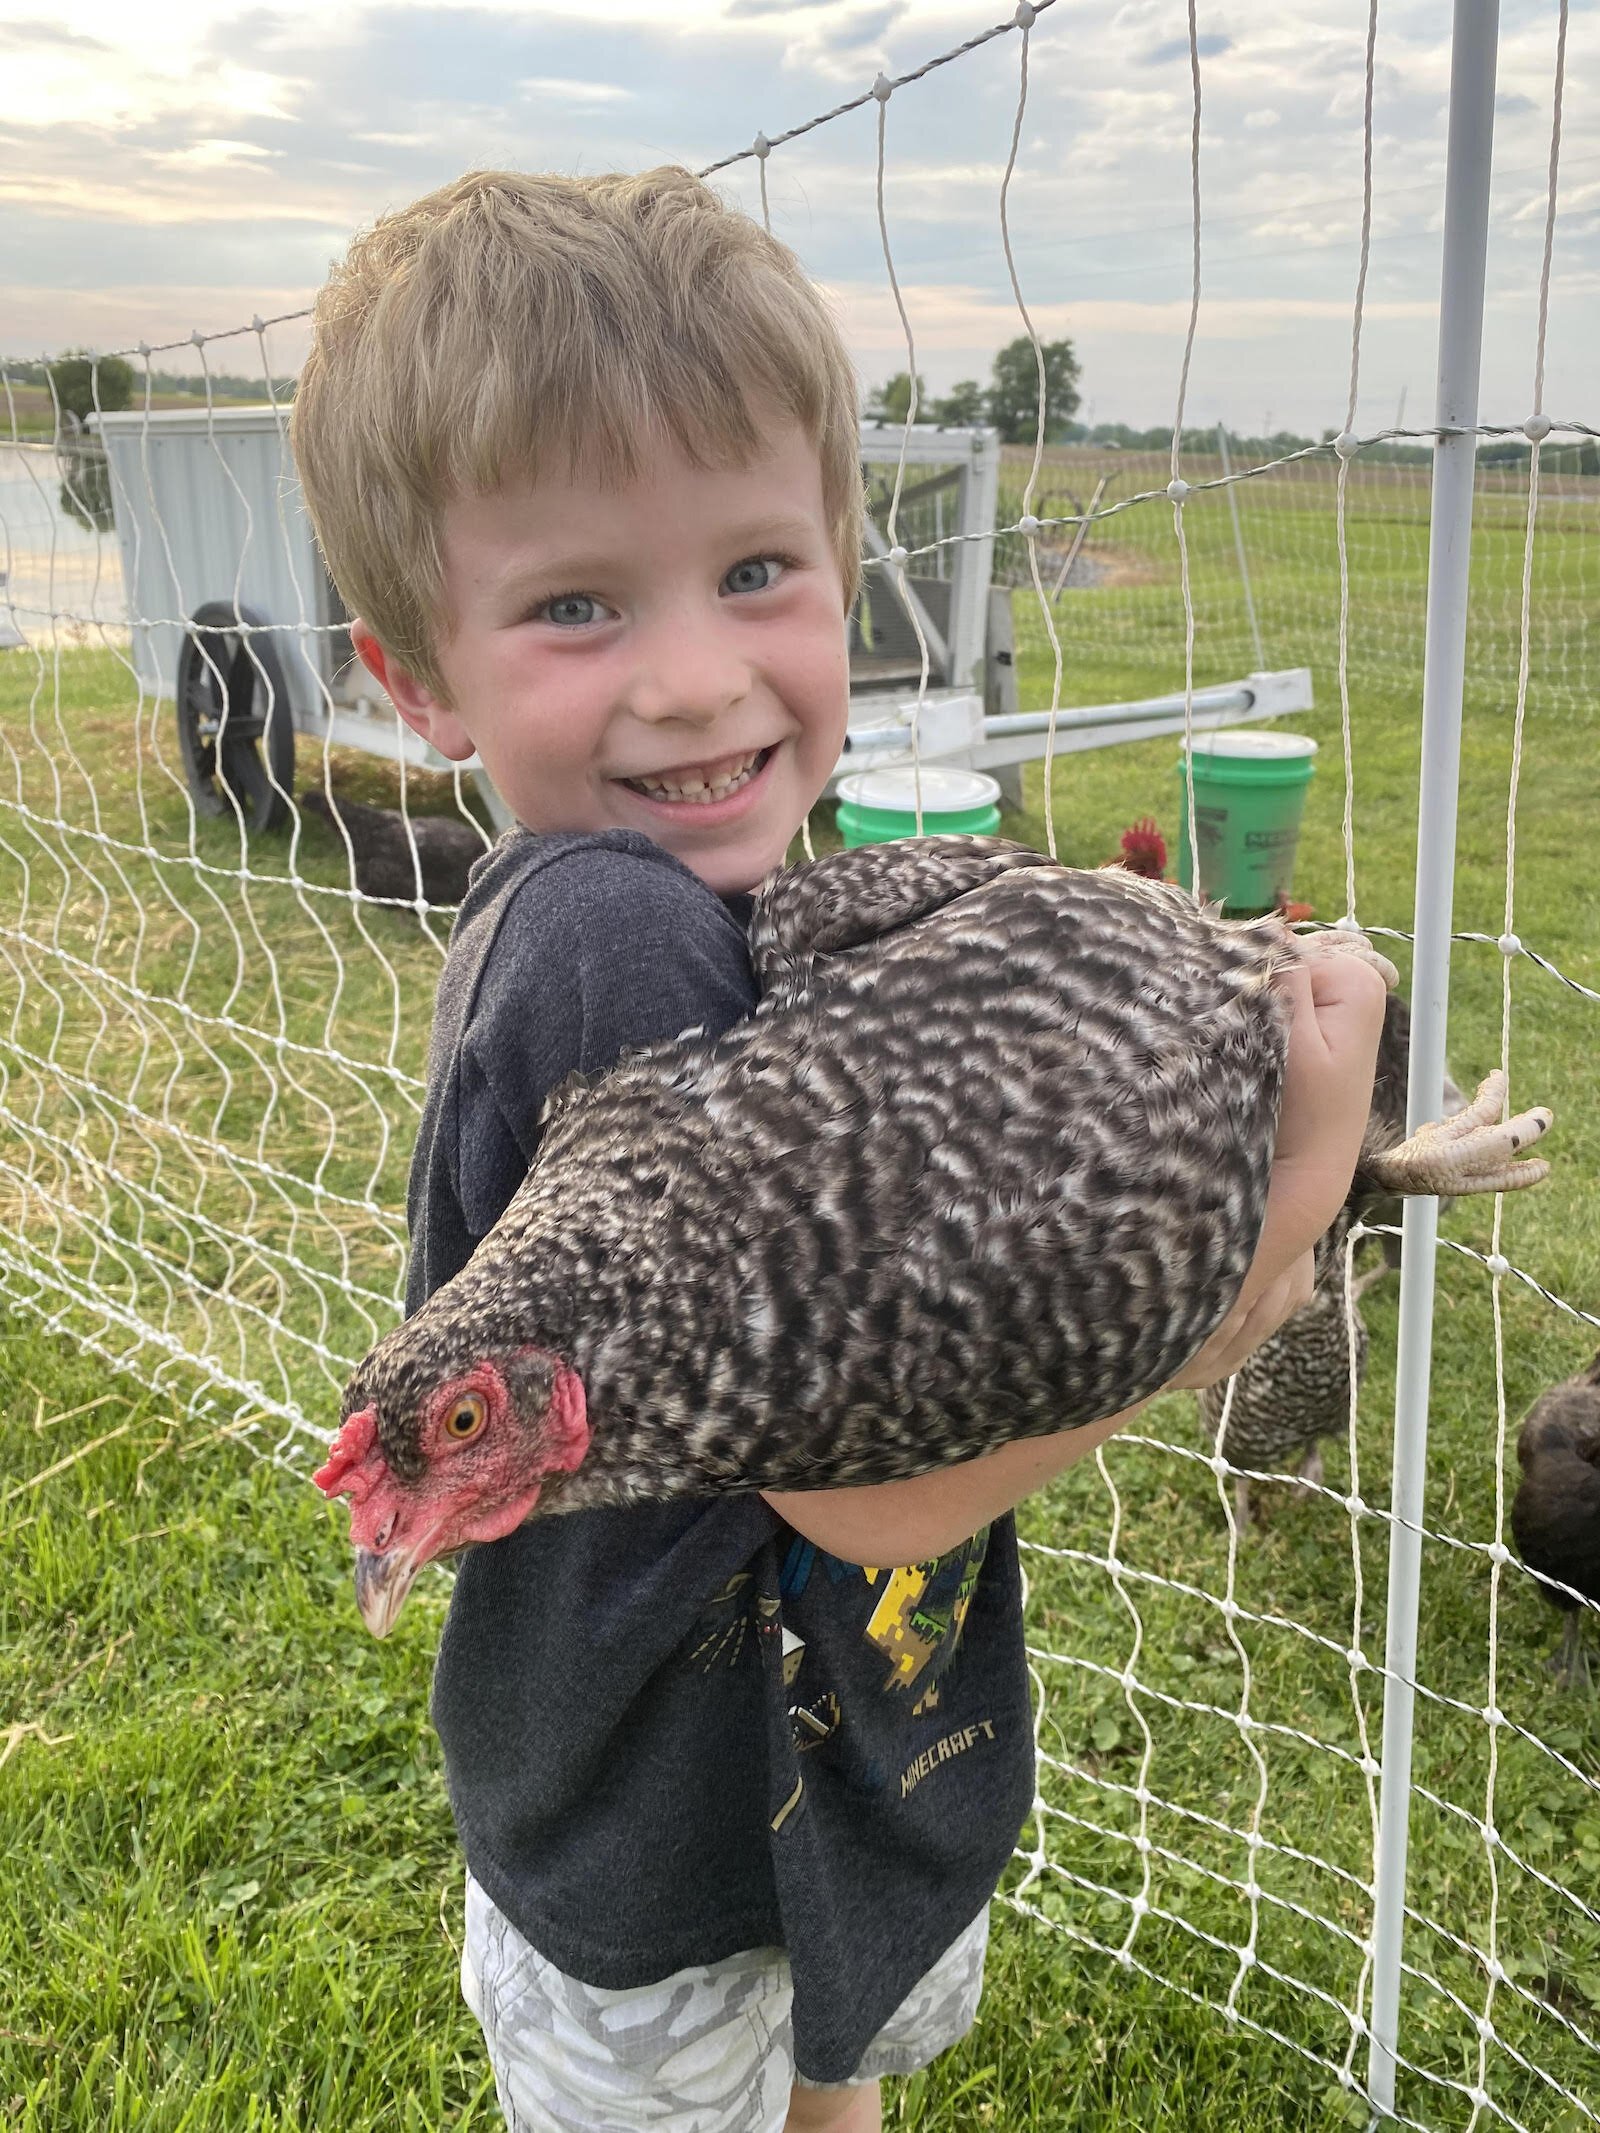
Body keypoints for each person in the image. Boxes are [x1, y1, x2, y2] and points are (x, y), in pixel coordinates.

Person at [291, 167, 1390, 2133]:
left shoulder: (762, 893)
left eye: (753, 573)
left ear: (841, 557)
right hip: (662, 1833)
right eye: (573, 604)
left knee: (834, 2067)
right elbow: (858, 1498)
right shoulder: (613, 931)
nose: (698, 678)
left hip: (839, 1763)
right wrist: (1276, 1238)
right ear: (416, 678)